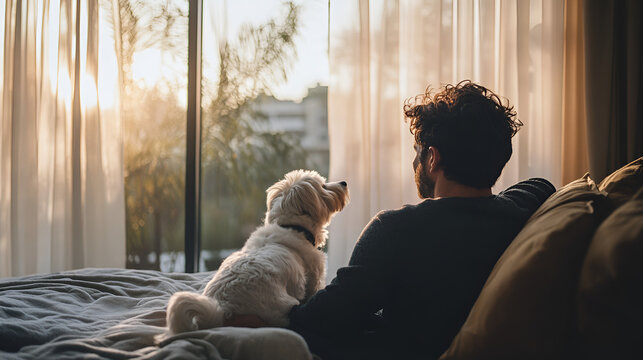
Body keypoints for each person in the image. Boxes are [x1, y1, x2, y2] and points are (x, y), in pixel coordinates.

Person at [285, 81, 556, 359]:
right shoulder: (522, 212)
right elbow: (540, 185)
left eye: (418, 151)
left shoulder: (394, 230)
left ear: (432, 158)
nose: (414, 162)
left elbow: (322, 318)